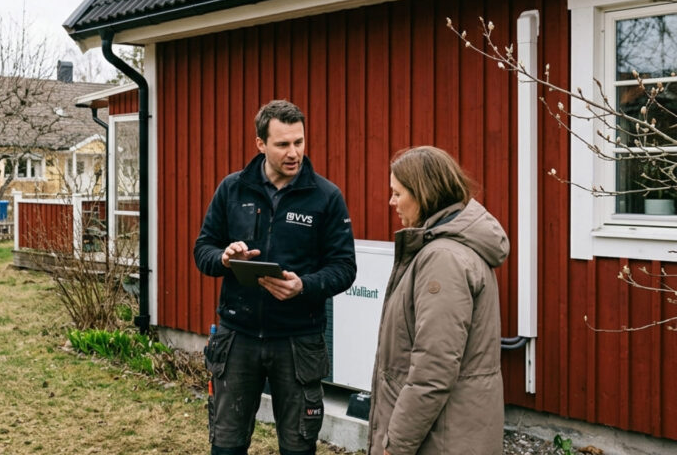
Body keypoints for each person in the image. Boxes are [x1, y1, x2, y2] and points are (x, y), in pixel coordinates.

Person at [194, 99, 357, 455]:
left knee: (299, 445)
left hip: (298, 342)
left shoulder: (326, 197)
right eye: (283, 144)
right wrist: (223, 258)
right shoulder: (232, 189)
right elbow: (202, 250)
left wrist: (304, 286)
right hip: (238, 337)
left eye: (299, 141)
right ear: (260, 144)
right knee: (226, 444)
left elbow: (344, 268)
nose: (294, 152)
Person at [368, 146, 509, 455]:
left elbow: (434, 368)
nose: (392, 202)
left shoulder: (443, 259)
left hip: (443, 439)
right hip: (449, 431)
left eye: (398, 193)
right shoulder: (444, 249)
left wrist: (397, 444)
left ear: (424, 194)